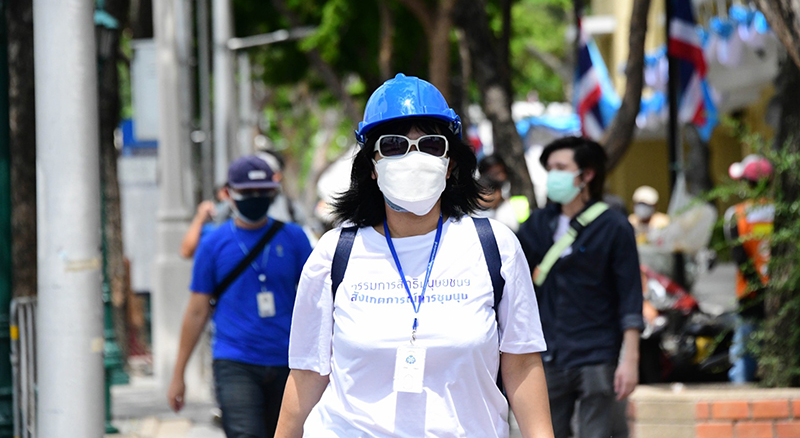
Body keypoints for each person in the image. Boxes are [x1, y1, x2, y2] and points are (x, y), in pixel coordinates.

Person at [275, 73, 554, 438]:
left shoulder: (495, 246)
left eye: (431, 145)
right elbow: (308, 373)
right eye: (393, 145)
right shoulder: (334, 254)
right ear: (372, 166)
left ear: (451, 163)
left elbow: (521, 362)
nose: (413, 157)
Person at [168, 155, 313, 438]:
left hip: (288, 362)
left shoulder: (294, 238)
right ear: (228, 194)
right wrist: (178, 375)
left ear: (274, 192)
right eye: (247, 192)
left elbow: (317, 300)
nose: (255, 198)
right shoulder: (212, 244)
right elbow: (197, 311)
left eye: (263, 191)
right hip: (235, 361)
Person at [516, 136, 643, 438]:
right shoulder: (535, 225)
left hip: (597, 356)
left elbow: (630, 296)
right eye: (550, 169)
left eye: (561, 167)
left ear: (587, 175)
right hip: (546, 355)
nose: (553, 175)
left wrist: (630, 360)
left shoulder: (614, 227)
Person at [723, 154, 774, 383]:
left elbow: (739, 257)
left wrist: (757, 287)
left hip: (750, 296)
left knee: (744, 358)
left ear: (746, 183)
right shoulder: (781, 212)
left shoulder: (737, 214)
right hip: (780, 295)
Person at [180, 184, 231, 259]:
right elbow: (186, 251)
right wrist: (200, 217)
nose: (226, 205)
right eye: (222, 202)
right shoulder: (211, 228)